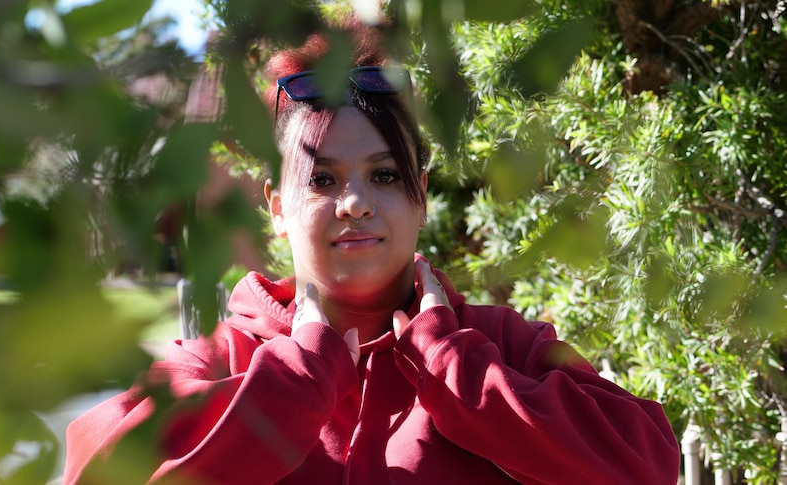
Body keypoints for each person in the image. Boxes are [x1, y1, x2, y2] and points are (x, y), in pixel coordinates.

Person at [63, 20, 680, 485]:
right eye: (323, 180)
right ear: (277, 207)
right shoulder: (223, 356)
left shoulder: (506, 346)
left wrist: (449, 363)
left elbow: (648, 462)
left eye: (384, 176)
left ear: (422, 198)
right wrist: (298, 374)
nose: (354, 202)